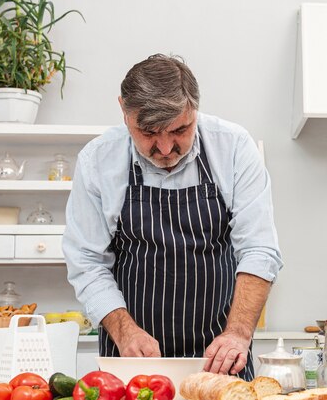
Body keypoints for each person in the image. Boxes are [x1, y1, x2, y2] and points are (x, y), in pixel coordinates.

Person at [63, 54, 282, 380]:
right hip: (131, 359)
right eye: (149, 132)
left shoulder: (233, 147)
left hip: (220, 357)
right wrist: (125, 333)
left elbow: (259, 249)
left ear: (195, 109)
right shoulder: (98, 160)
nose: (165, 148)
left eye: (180, 129)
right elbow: (87, 261)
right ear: (124, 110)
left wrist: (238, 333)